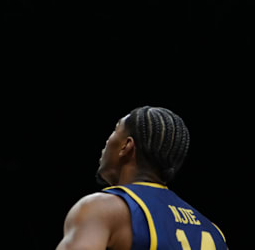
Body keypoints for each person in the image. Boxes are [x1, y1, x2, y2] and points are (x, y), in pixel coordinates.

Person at [56, 106, 227, 250]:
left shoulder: (102, 209)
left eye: (115, 130)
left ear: (126, 146)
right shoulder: (213, 231)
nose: (107, 141)